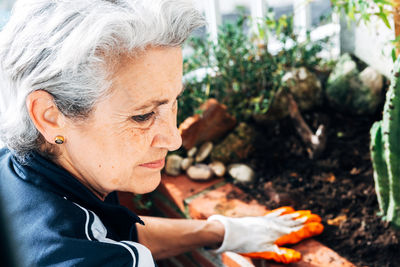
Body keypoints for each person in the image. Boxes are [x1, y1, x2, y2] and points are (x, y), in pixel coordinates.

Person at [0, 0, 323, 266]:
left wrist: (223, 231)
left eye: (174, 102)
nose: (174, 139)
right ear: (50, 116)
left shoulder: (22, 169)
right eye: (142, 115)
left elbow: (108, 234)